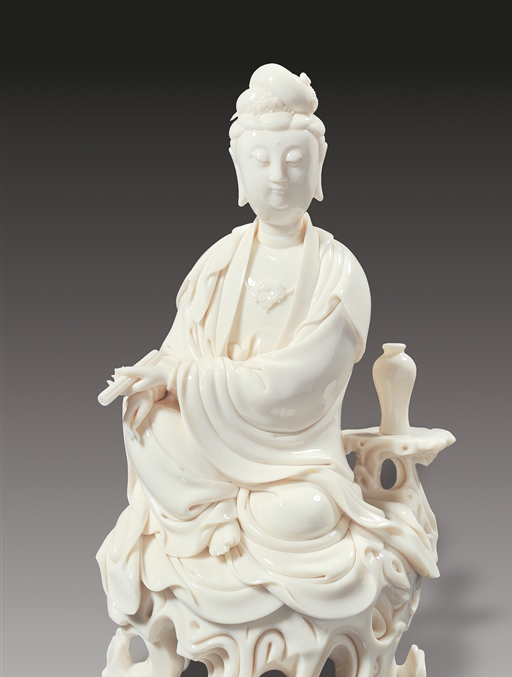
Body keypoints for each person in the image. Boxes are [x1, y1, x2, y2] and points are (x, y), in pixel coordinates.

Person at [97, 64, 434, 628]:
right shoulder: (218, 262)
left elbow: (299, 386)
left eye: (294, 160)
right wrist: (156, 376)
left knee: (304, 513)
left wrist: (182, 379)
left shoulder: (339, 272)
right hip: (209, 441)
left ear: (318, 168)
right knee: (145, 421)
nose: (277, 176)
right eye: (260, 160)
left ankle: (218, 520)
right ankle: (215, 517)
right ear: (238, 171)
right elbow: (180, 348)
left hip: (294, 458)